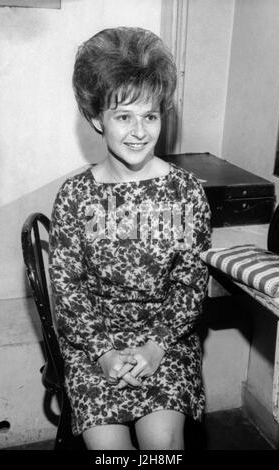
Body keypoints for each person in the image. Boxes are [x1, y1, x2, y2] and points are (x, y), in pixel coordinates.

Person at [49, 26, 211, 450]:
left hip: (167, 342)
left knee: (163, 451)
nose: (139, 131)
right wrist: (103, 352)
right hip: (93, 344)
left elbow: (190, 287)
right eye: (124, 116)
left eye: (150, 115)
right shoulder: (75, 196)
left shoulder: (187, 192)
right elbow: (69, 292)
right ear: (96, 119)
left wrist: (156, 347)